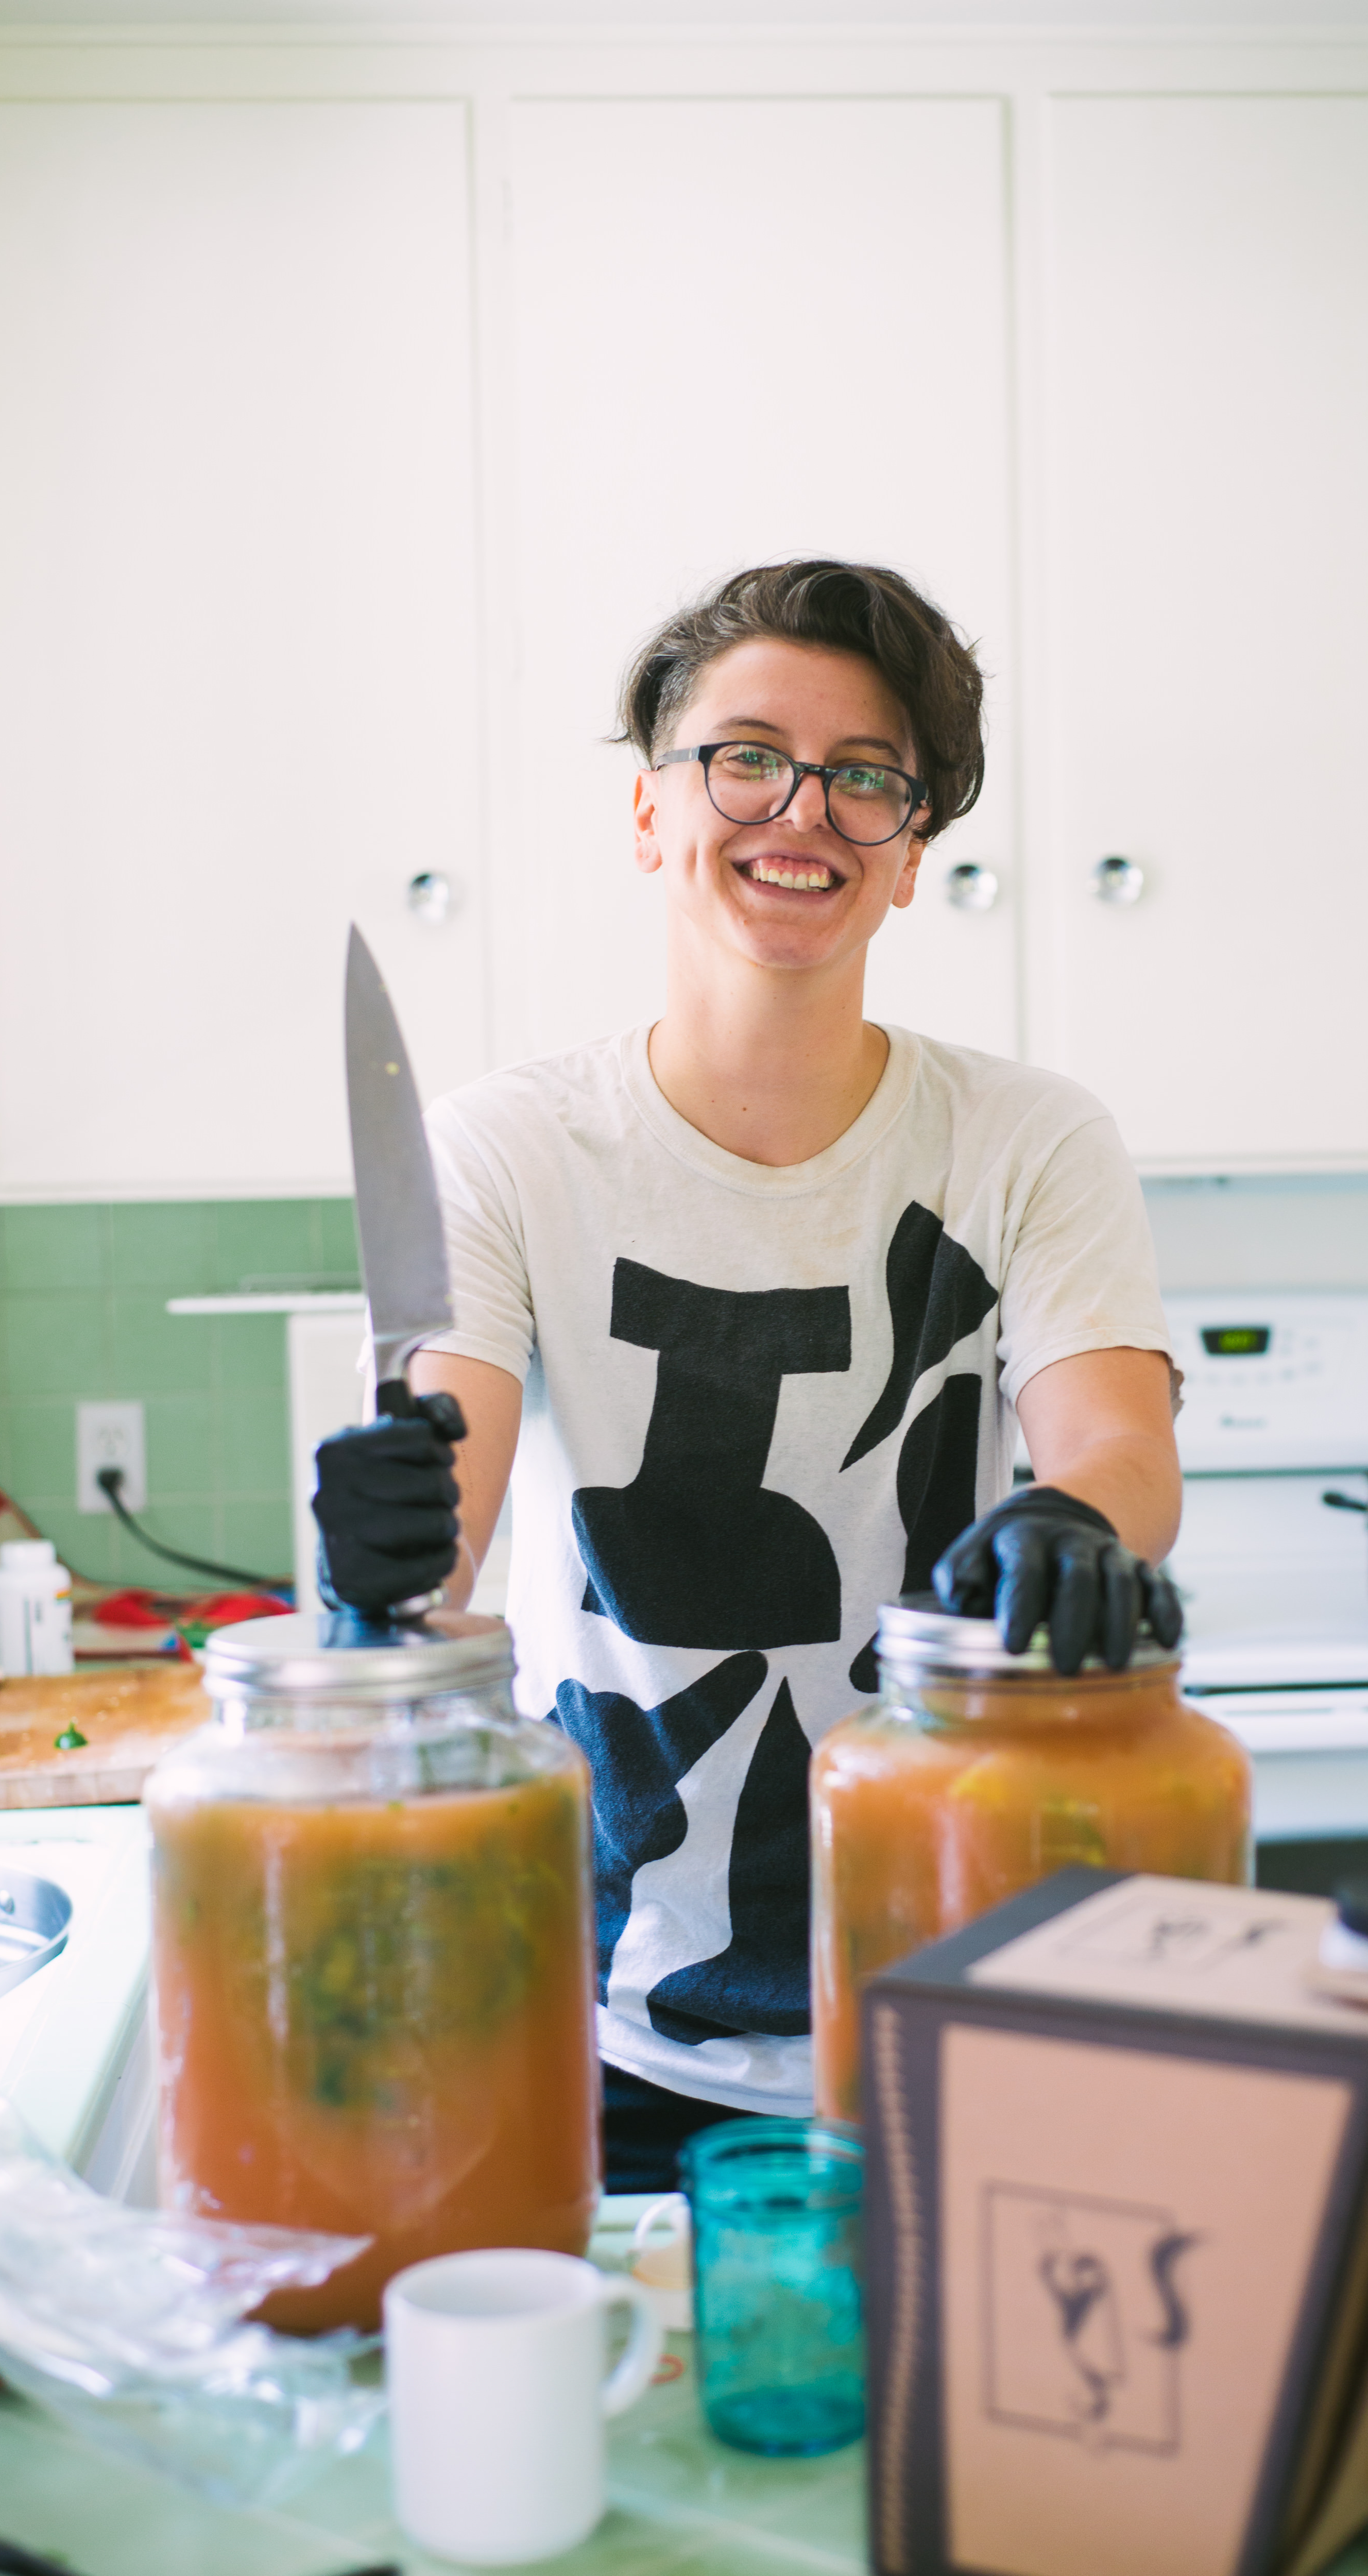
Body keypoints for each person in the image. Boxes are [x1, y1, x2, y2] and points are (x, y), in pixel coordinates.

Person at [314, 559, 1183, 2189]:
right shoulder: (509, 1151)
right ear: (651, 811)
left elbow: (1123, 1449)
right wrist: (376, 1546)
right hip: (597, 2007)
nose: (806, 808)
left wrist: (1074, 1517)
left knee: (948, 2437)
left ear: (913, 851)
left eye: (867, 776)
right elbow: (446, 1502)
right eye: (745, 756)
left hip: (964, 1975)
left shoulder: (1025, 1139)